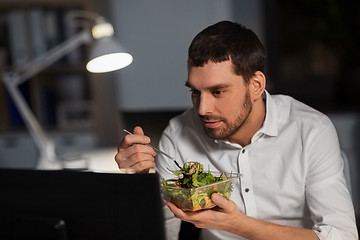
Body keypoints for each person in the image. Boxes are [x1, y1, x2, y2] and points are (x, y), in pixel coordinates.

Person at [115, 21, 358, 240]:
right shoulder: (178, 134)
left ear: (256, 85)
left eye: (218, 92)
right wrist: (139, 183)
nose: (202, 108)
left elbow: (341, 236)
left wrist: (239, 225)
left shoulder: (311, 130)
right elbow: (161, 229)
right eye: (195, 92)